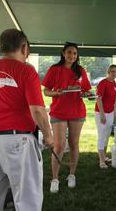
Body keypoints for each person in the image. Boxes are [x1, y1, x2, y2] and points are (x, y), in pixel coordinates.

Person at [0, 28, 54, 211]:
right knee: (27, 198)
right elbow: (38, 111)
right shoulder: (26, 71)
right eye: (27, 53)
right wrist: (48, 135)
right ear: (24, 48)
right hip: (18, 141)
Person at [42, 42, 92, 191]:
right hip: (59, 112)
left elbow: (87, 90)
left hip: (77, 111)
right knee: (59, 146)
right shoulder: (54, 69)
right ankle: (55, 179)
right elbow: (46, 91)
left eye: (75, 53)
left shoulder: (81, 70)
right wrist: (56, 93)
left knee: (74, 144)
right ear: (63, 53)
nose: (72, 56)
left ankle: (72, 175)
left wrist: (86, 94)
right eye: (69, 52)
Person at [95, 65, 116, 169]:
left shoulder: (114, 84)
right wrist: (102, 114)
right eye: (112, 71)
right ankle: (101, 161)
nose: (114, 74)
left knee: (107, 135)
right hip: (101, 112)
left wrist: (114, 114)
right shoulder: (103, 83)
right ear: (108, 72)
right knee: (101, 135)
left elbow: (114, 100)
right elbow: (98, 99)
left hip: (110, 113)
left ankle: (104, 157)